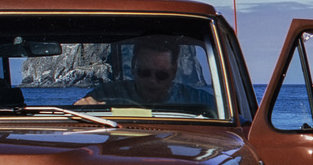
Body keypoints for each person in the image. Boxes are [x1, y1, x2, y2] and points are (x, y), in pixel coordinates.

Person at [76, 36, 214, 110]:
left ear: (173, 72)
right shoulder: (105, 95)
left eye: (161, 75)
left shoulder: (201, 101)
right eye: (144, 72)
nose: (152, 80)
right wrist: (83, 108)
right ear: (133, 67)